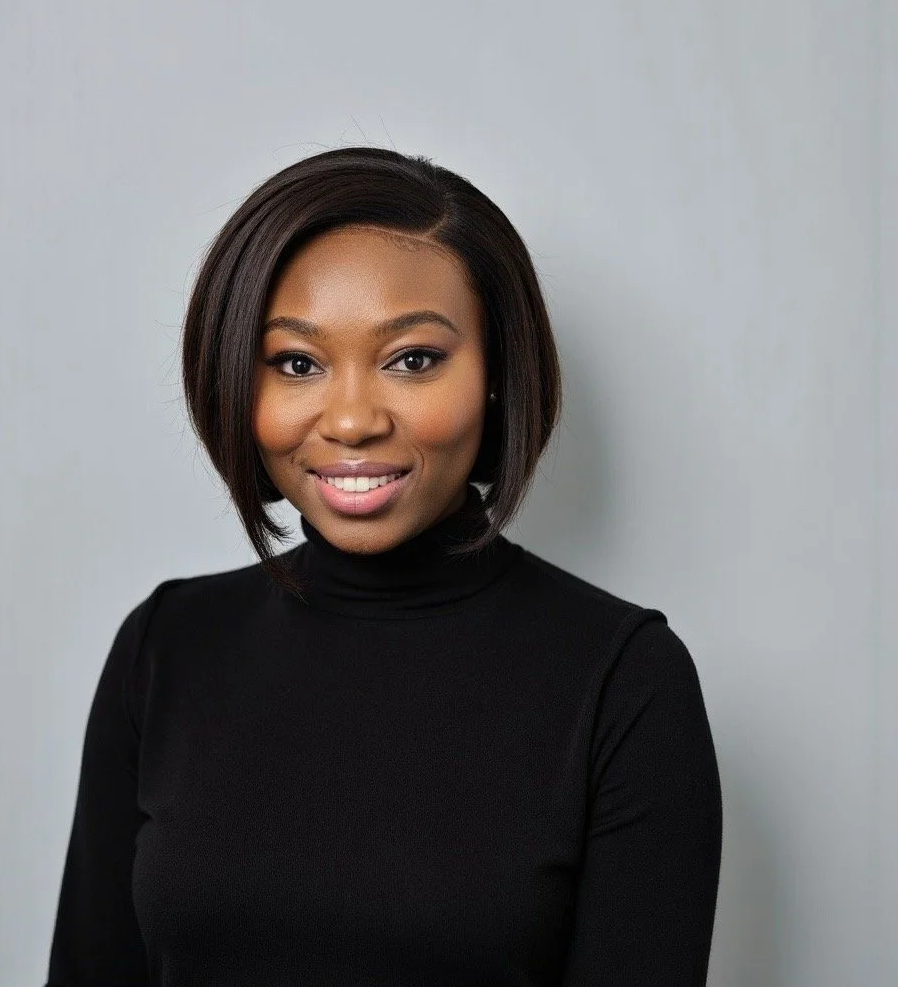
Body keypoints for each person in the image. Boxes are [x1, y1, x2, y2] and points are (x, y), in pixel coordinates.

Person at [44, 147, 722, 985]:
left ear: (497, 374)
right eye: (297, 363)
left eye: (413, 359)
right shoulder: (166, 647)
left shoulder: (623, 679)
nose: (353, 420)